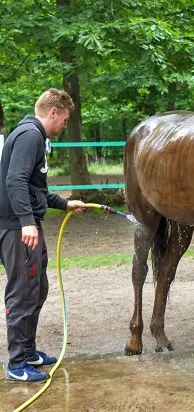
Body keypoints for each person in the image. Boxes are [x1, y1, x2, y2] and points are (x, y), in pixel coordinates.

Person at [0, 88, 86, 382]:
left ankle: (29, 351)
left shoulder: (36, 136)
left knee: (38, 288)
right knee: (22, 292)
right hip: (16, 228)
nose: (64, 125)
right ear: (53, 112)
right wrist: (26, 222)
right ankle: (16, 363)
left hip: (25, 224)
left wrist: (63, 203)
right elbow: (15, 180)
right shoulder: (30, 135)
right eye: (64, 119)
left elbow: (34, 188)